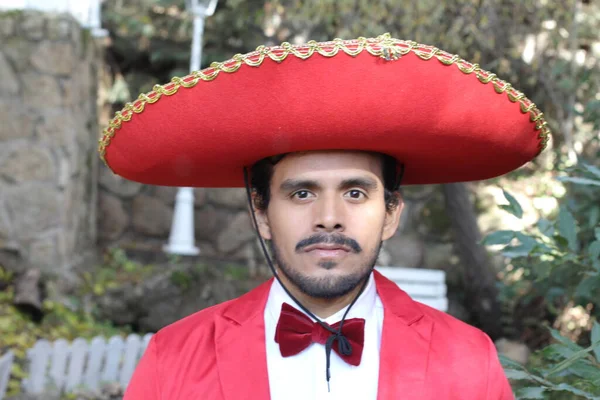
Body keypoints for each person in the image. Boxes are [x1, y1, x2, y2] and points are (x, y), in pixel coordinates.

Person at [98, 33, 550, 399]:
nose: (329, 218)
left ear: (391, 214)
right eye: (301, 194)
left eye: (355, 192)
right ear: (261, 214)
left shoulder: (469, 358)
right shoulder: (174, 355)